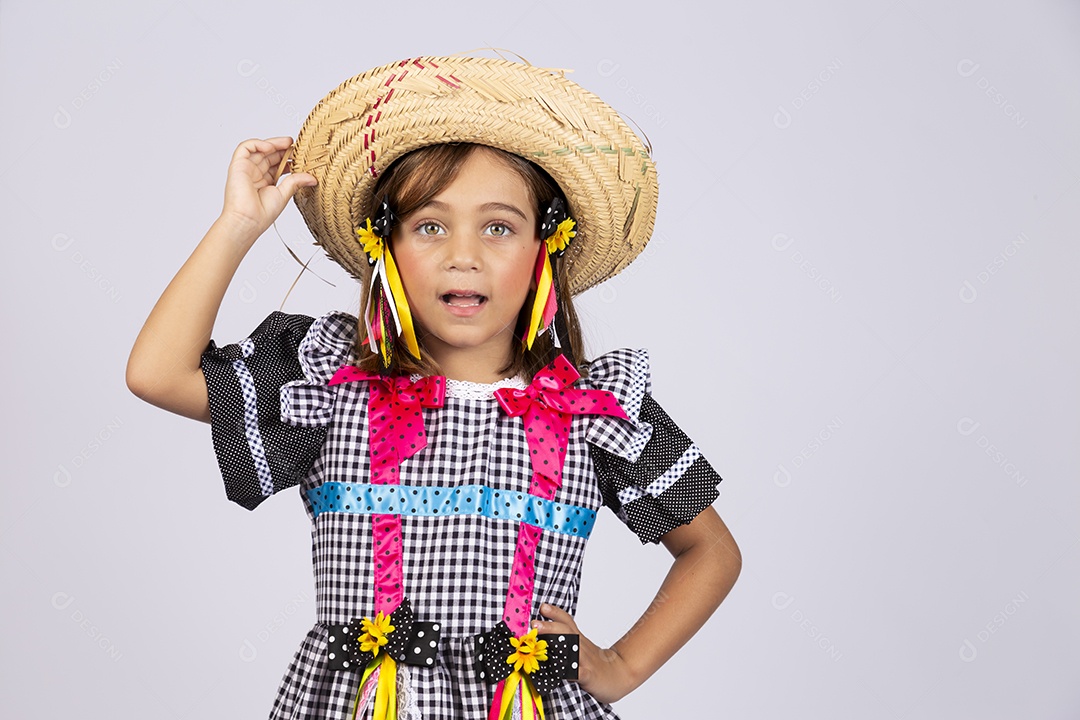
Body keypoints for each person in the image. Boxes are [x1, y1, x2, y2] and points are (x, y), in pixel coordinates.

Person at [127, 55, 741, 720]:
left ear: (544, 248)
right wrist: (239, 224)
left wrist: (621, 667)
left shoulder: (592, 408)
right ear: (386, 247)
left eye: (499, 226)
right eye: (429, 225)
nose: (463, 253)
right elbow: (158, 374)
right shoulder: (334, 386)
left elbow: (710, 550)